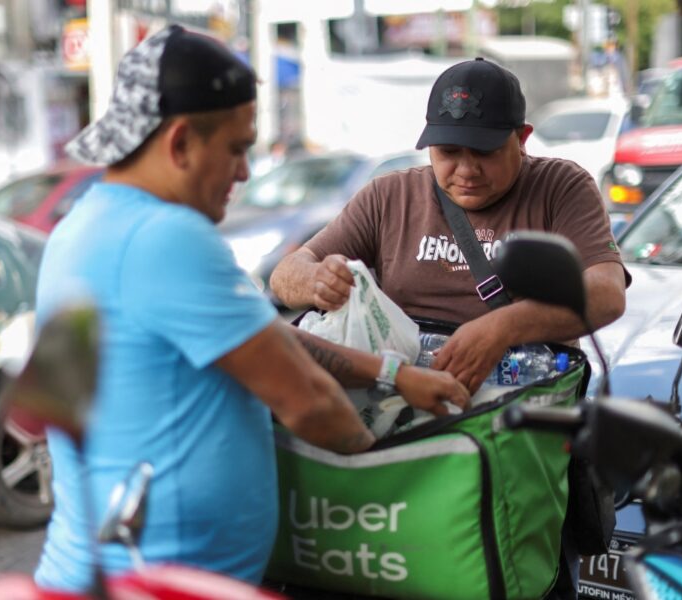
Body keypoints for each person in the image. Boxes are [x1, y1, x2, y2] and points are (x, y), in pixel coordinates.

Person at [32, 24, 468, 595]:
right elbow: (306, 400)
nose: (243, 173)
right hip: (150, 582)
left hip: (94, 568)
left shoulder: (81, 228)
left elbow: (269, 339)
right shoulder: (166, 237)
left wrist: (391, 373)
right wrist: (395, 472)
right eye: (237, 149)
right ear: (181, 142)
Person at [269, 57, 629, 598]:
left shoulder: (561, 187)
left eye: (482, 151)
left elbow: (605, 293)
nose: (464, 169)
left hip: (513, 448)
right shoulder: (390, 196)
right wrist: (316, 281)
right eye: (447, 152)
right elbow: (285, 274)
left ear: (522, 138)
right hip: (402, 450)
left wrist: (504, 327)